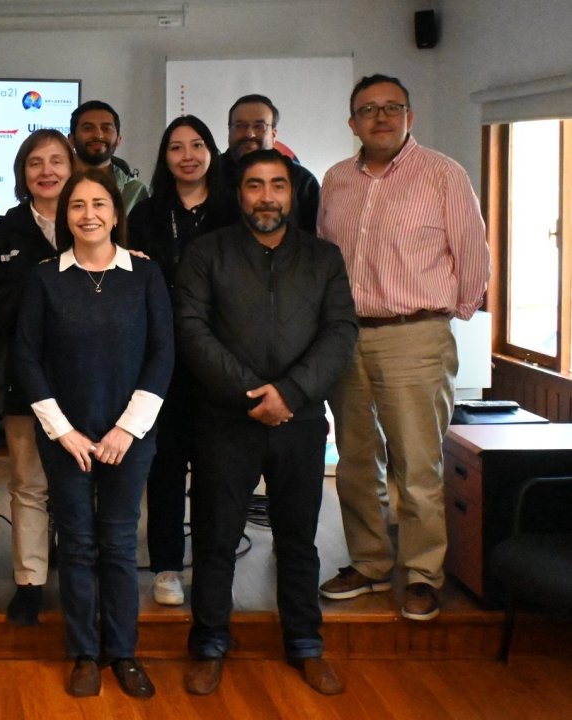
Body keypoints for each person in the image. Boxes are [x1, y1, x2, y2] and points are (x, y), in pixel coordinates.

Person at [175, 149, 358, 696]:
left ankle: (304, 641)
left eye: (277, 185)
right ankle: (210, 642)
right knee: (215, 537)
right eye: (255, 185)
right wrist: (253, 393)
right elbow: (191, 328)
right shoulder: (207, 253)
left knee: (298, 538)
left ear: (291, 194)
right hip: (225, 419)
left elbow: (341, 332)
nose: (266, 197)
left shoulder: (324, 257)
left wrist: (291, 392)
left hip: (300, 420)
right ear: (239, 193)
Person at [317, 74, 489, 621]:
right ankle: (369, 563)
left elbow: (474, 256)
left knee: (417, 463)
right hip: (346, 336)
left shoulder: (443, 174)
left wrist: (442, 317)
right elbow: (323, 257)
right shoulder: (336, 180)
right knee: (354, 460)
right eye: (368, 109)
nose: (381, 117)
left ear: (409, 117)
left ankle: (421, 573)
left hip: (415, 334)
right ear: (353, 123)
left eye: (393, 107)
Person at [14, 168, 173, 698]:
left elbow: (162, 354)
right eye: (77, 205)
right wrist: (63, 432)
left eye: (99, 204)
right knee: (78, 545)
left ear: (115, 212)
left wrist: (127, 429)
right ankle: (83, 652)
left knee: (120, 544)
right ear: (66, 216)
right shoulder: (45, 277)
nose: (88, 214)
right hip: (67, 438)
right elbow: (27, 358)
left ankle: (123, 652)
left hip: (130, 435)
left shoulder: (144, 274)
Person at [125, 115, 238, 608]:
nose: (187, 156)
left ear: (211, 151)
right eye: (176, 147)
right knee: (165, 466)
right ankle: (167, 565)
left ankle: (214, 567)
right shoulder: (147, 214)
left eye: (196, 145)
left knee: (217, 470)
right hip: (163, 356)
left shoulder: (233, 210)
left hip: (222, 355)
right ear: (164, 157)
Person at [0, 128, 74, 626]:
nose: (47, 171)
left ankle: (81, 575)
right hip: (25, 380)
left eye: (57, 160)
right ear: (22, 173)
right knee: (28, 484)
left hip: (87, 381)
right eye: (35, 162)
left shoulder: (94, 220)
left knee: (82, 485)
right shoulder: (3, 232)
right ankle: (30, 582)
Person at [215, 94, 321, 231]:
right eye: (240, 126)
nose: (249, 134)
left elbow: (312, 236)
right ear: (229, 131)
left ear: (273, 134)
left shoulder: (303, 181)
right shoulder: (209, 174)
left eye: (259, 126)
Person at [68, 100, 148, 211]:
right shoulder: (55, 184)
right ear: (71, 139)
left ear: (118, 140)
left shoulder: (135, 191)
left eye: (106, 129)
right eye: (88, 128)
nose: (98, 135)